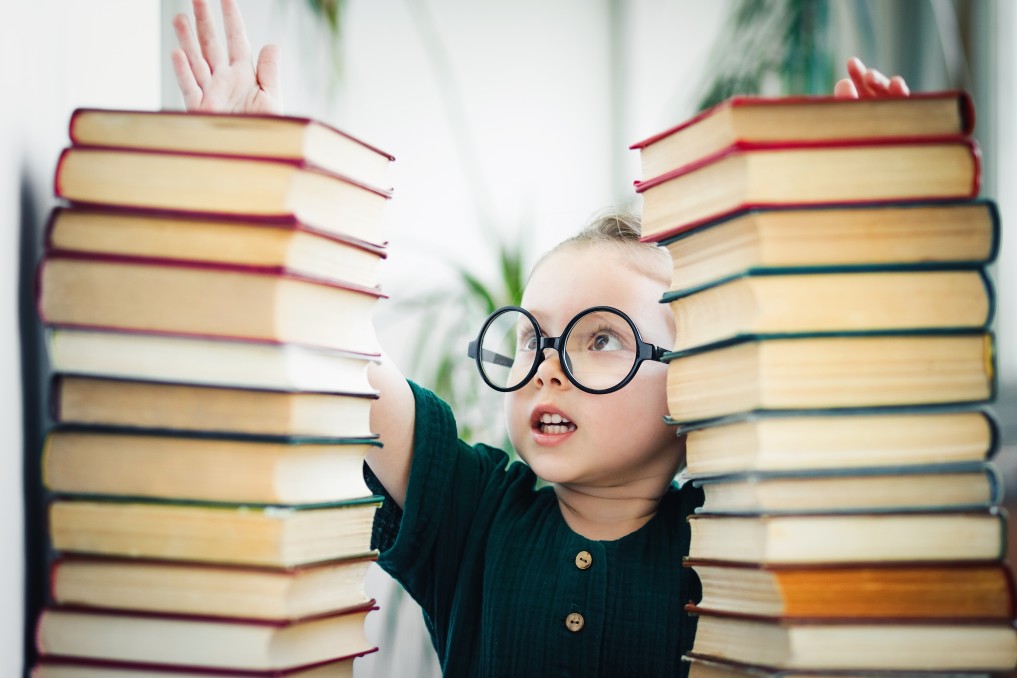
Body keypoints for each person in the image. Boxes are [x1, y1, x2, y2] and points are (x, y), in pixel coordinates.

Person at [171, 2, 911, 675]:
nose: (545, 369)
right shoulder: (472, 513)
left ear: (693, 381)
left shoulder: (731, 549)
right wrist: (266, 190)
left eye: (599, 340)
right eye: (531, 339)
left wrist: (854, 225)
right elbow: (344, 353)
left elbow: (841, 415)